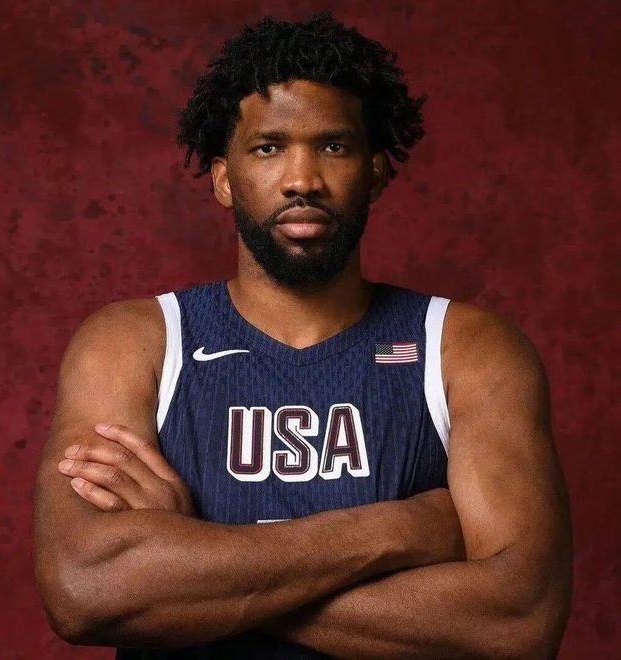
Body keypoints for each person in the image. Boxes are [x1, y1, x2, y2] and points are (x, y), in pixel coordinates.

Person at [33, 12, 572, 659]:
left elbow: (519, 621)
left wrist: (189, 559)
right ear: (223, 178)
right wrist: (400, 530)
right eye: (269, 147)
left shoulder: (466, 348)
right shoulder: (132, 343)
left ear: (375, 171)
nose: (302, 180)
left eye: (334, 147)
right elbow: (85, 588)